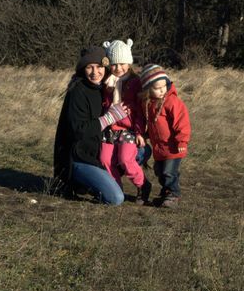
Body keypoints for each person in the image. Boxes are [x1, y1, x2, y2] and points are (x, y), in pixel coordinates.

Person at [53, 46, 130, 205]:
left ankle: (91, 182)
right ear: (83, 69)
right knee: (116, 198)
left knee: (140, 151)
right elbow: (78, 131)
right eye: (89, 67)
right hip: (78, 158)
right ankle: (75, 181)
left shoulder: (104, 88)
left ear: (106, 67)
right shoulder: (77, 91)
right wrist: (108, 118)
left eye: (99, 66)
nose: (95, 72)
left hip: (98, 154)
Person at [100, 39, 152, 205]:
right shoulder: (107, 82)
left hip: (128, 130)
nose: (118, 68)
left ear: (129, 63)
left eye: (122, 64)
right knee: (105, 159)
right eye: (114, 64)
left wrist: (139, 132)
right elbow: (104, 106)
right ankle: (115, 189)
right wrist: (108, 91)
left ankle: (143, 185)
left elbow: (140, 110)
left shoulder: (135, 83)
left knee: (125, 159)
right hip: (110, 129)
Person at [140, 64, 191, 207]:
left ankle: (173, 195)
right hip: (159, 148)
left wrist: (182, 141)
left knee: (169, 172)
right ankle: (166, 193)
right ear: (148, 89)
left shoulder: (172, 101)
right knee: (160, 171)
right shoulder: (148, 104)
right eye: (157, 88)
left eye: (164, 86)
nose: (162, 90)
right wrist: (145, 134)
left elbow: (182, 122)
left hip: (173, 147)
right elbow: (152, 124)